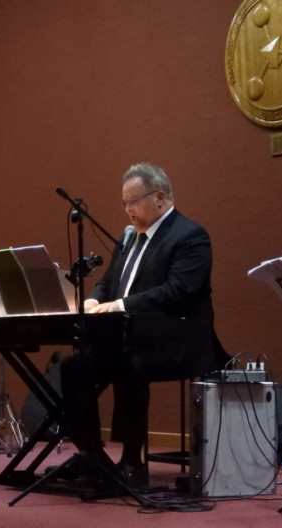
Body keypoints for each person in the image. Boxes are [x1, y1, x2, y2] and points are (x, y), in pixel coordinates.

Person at [59, 163, 226, 488]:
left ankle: (133, 464)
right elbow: (108, 282)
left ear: (159, 198)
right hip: (128, 335)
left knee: (128, 363)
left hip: (176, 337)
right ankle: (93, 456)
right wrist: (93, 300)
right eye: (124, 203)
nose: (127, 210)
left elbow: (179, 290)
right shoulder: (129, 237)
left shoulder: (190, 235)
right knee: (73, 367)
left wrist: (121, 305)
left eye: (132, 202)